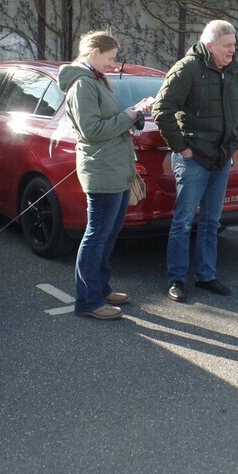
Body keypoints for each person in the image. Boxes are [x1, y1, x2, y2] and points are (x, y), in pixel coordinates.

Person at [58, 31, 154, 320]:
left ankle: (100, 288)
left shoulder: (96, 80)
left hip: (115, 168)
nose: (114, 64)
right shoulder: (82, 85)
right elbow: (93, 131)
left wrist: (134, 114)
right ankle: (88, 301)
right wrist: (128, 115)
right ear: (94, 53)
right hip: (102, 170)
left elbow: (109, 124)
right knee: (97, 235)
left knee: (109, 234)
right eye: (110, 58)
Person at [153, 19, 238, 302]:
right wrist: (182, 148)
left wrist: (232, 143)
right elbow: (162, 110)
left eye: (234, 45)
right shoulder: (187, 69)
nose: (233, 50)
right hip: (193, 160)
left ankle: (206, 276)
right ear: (210, 45)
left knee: (211, 221)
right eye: (228, 45)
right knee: (183, 222)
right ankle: (177, 279)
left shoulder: (234, 70)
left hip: (221, 158)